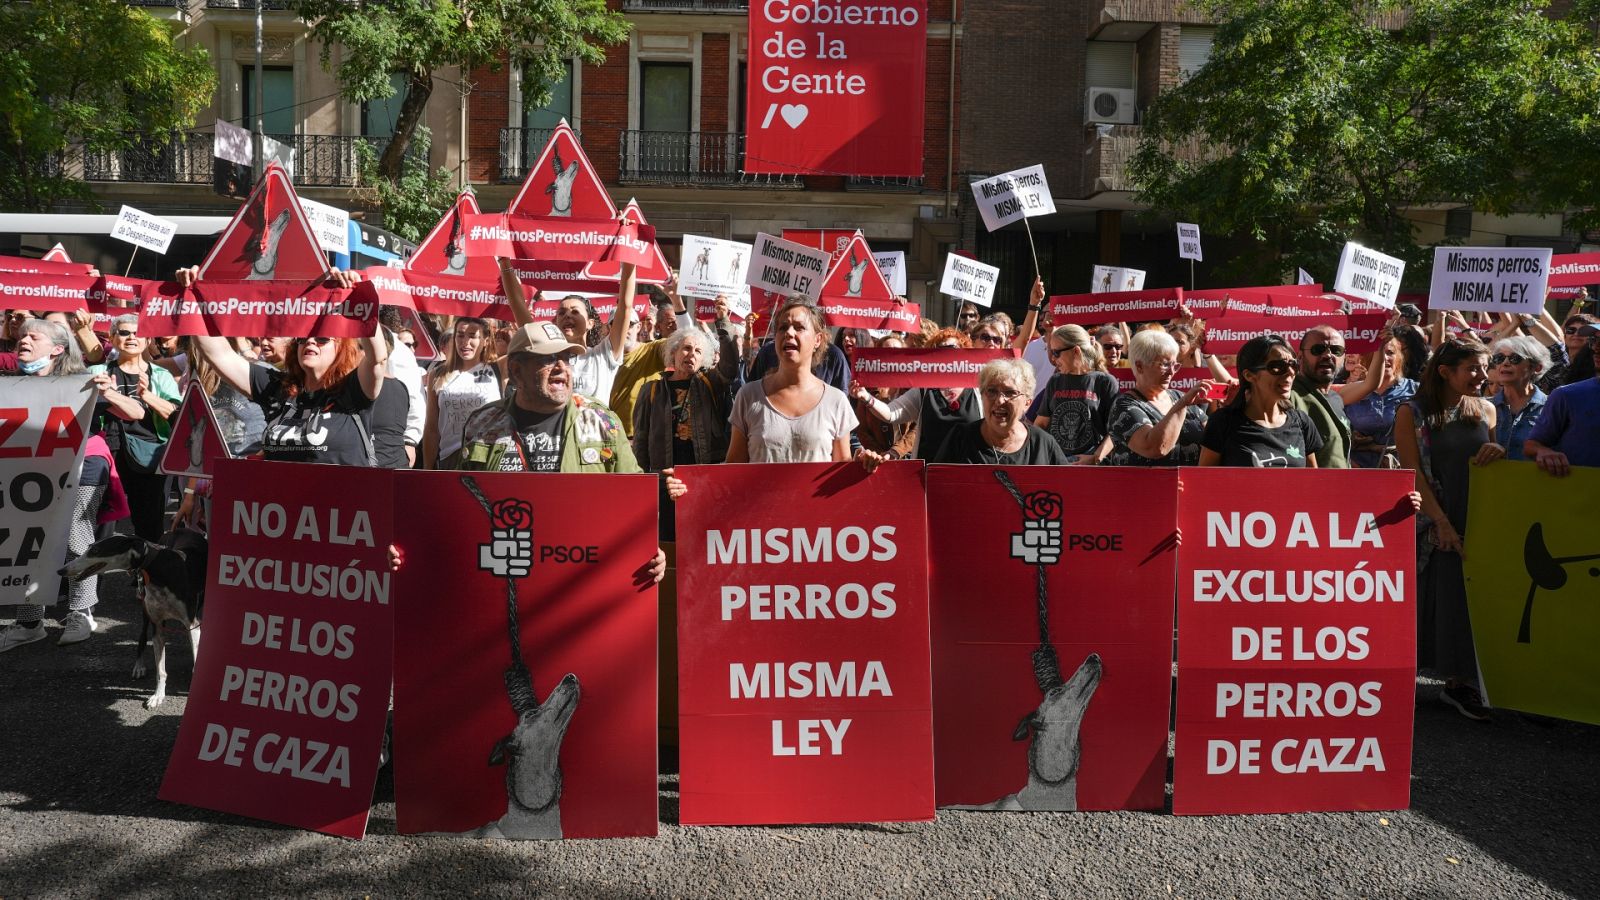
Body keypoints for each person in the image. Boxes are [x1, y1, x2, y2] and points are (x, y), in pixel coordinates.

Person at [1393, 338, 1504, 720]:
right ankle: (1400, 682)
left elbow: (1491, 462)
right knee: (1427, 600)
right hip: (1434, 521)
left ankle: (1460, 684)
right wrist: (1440, 522)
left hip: (1477, 519)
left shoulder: (1487, 409)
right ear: (1444, 371)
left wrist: (1499, 452)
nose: (1483, 375)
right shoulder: (1412, 412)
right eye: (1473, 368)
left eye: (1484, 367)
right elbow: (1412, 473)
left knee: (1465, 602)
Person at [1, 319, 126, 651]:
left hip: (84, 463)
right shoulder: (10, 386)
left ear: (58, 348)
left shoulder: (83, 383)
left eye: (33, 336)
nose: (23, 340)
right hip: (30, 470)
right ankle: (29, 623)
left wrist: (108, 391)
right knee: (27, 540)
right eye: (21, 336)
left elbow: (134, 413)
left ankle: (81, 612)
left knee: (75, 537)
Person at [180, 269, 388, 468]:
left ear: (341, 348)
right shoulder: (278, 388)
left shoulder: (353, 390)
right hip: (279, 494)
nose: (310, 342)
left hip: (340, 493)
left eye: (322, 338)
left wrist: (359, 299)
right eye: (303, 338)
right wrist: (194, 295)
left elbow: (378, 359)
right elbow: (218, 354)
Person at [456, 321, 638, 473]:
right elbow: (465, 493)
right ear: (516, 370)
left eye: (566, 358)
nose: (561, 367)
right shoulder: (482, 423)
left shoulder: (601, 420)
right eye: (548, 358)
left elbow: (633, 491)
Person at [87, 314, 180, 542]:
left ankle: (146, 565)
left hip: (149, 455)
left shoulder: (160, 375)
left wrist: (147, 396)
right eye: (124, 332)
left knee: (149, 525)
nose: (131, 337)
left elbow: (175, 415)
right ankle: (96, 565)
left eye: (138, 333)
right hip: (106, 453)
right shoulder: (97, 372)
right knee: (100, 524)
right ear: (112, 338)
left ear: (148, 340)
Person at [850, 327, 982, 460]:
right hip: (931, 469)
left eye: (951, 348)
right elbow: (891, 413)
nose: (945, 353)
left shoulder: (978, 390)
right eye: (939, 349)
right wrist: (866, 397)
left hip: (970, 469)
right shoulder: (924, 390)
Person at [1199, 336, 1323, 468]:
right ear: (1249, 375)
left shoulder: (1302, 422)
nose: (1290, 372)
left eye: (1294, 365)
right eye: (1277, 366)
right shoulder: (1223, 423)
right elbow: (1204, 478)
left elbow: (1313, 478)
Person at [1104, 329, 1212, 467]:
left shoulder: (1179, 396)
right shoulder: (1124, 405)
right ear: (1139, 366)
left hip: (1191, 480)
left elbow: (1213, 439)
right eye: (1165, 365)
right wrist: (1182, 405)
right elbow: (1156, 448)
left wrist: (1229, 407)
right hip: (1145, 482)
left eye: (1175, 365)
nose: (1171, 372)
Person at [930, 358, 1069, 465]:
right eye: (991, 391)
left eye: (1010, 393)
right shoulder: (960, 438)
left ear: (1027, 403)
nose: (1000, 401)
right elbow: (935, 488)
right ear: (982, 396)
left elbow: (1067, 488)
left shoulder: (1043, 444)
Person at [422, 316, 502, 469]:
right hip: (450, 459)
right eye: (460, 335)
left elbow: (531, 346)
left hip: (488, 458)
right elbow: (431, 428)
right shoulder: (437, 374)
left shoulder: (498, 369)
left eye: (472, 336)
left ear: (485, 340)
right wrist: (427, 468)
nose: (465, 342)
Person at [1033, 324, 1116, 464]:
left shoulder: (1104, 382)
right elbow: (1040, 424)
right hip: (1057, 464)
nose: (1053, 359)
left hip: (1092, 467)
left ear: (1076, 351)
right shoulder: (1055, 381)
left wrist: (1095, 458)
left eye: (1056, 353)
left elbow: (1115, 430)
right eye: (1051, 352)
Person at [1524, 322, 1600, 474]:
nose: (1596, 348)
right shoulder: (1566, 395)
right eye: (1594, 341)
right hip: (1578, 488)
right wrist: (1543, 451)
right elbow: (1531, 446)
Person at [1341, 329, 1421, 468]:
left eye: (1390, 352)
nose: (1384, 358)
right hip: (1357, 470)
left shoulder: (1415, 390)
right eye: (1377, 352)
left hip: (1401, 469)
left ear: (1399, 357)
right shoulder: (1351, 391)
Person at [1289, 325, 1352, 468]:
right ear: (1300, 356)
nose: (1327, 355)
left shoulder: (1336, 399)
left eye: (1336, 350)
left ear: (1344, 357)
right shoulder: (1289, 396)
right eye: (1318, 349)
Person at [852, 334, 918, 461]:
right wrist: (879, 455)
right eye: (887, 351)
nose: (892, 355)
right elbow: (862, 430)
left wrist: (896, 451)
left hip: (907, 458)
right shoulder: (867, 390)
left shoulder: (912, 388)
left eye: (896, 351)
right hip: (877, 459)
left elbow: (916, 428)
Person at [1486, 336, 1549, 462]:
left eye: (1515, 358)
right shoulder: (1483, 406)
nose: (1505, 363)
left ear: (1536, 368)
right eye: (1499, 358)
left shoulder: (1552, 407)